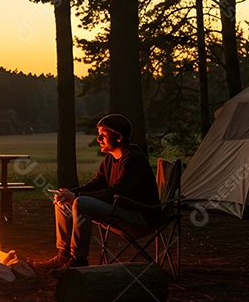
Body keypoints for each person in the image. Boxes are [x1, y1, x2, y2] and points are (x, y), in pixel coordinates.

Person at [33, 114, 159, 276]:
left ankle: (79, 260)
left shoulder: (133, 159)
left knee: (82, 203)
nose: (98, 139)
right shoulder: (110, 159)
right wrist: (71, 193)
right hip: (120, 210)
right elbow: (96, 185)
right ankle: (63, 256)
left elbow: (119, 192)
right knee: (63, 201)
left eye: (103, 135)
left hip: (139, 216)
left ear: (118, 137)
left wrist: (78, 197)